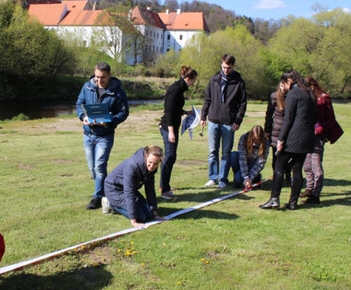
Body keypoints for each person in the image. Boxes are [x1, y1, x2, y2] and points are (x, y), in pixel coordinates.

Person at [260, 70, 317, 210]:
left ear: (289, 81)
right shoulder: (310, 93)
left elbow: (288, 118)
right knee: (297, 169)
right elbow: (314, 117)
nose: (283, 87)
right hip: (307, 138)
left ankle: (274, 199)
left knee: (279, 165)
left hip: (293, 137)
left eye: (284, 84)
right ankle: (293, 202)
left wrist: (281, 139)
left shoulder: (293, 93)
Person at [76, 62, 129, 210]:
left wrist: (110, 121)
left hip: (105, 135)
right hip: (88, 134)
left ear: (109, 76)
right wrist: (82, 117)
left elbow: (123, 113)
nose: (99, 80)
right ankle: (108, 191)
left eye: (103, 78)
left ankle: (97, 197)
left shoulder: (118, 93)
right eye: (97, 77)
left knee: (100, 166)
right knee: (92, 168)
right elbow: (79, 104)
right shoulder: (87, 87)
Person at [200, 54, 247, 189]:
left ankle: (223, 179)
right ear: (221, 64)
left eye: (229, 68)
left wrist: (238, 121)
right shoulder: (214, 79)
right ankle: (212, 177)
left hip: (229, 122)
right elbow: (207, 99)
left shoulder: (238, 82)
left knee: (226, 153)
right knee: (212, 151)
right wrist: (203, 116)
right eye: (224, 67)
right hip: (213, 120)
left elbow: (243, 104)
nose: (226, 70)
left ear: (233, 66)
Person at [301, 76, 344, 204]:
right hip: (306, 134)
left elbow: (331, 120)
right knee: (307, 165)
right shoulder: (308, 98)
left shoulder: (324, 98)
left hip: (318, 136)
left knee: (316, 166)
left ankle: (316, 193)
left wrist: (318, 130)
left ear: (312, 86)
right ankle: (309, 188)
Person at [158, 65, 199, 200]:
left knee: (172, 157)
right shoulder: (176, 89)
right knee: (169, 156)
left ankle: (164, 185)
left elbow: (175, 109)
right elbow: (168, 110)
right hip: (168, 127)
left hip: (173, 126)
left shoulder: (180, 88)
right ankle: (164, 190)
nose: (194, 83)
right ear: (188, 78)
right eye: (194, 80)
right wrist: (171, 132)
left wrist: (185, 112)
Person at [102, 146, 167, 229]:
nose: (152, 166)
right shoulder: (132, 166)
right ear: (146, 156)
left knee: (149, 214)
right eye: (150, 162)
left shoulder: (152, 169)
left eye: (155, 164)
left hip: (129, 188)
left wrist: (155, 213)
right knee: (141, 217)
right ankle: (110, 203)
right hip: (114, 189)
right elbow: (129, 192)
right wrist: (134, 221)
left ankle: (133, 207)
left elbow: (150, 190)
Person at [264, 79, 291, 184]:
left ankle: (288, 176)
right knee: (276, 156)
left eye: (285, 86)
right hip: (276, 130)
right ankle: (277, 177)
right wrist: (267, 130)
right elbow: (269, 114)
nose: (283, 89)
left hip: (289, 130)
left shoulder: (292, 97)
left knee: (288, 156)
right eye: (281, 86)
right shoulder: (274, 96)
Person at [229, 125, 269, 190]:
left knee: (239, 178)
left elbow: (260, 164)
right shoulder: (243, 138)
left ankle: (256, 178)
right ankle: (238, 181)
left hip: (253, 165)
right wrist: (246, 177)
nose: (256, 143)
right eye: (254, 140)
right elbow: (242, 159)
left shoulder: (266, 143)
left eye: (258, 141)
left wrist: (250, 178)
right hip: (244, 163)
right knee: (233, 155)